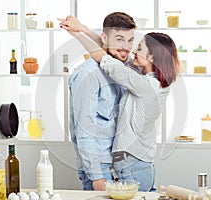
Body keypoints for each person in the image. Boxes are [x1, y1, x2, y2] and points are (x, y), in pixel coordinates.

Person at [59, 16, 179, 191]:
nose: (129, 50)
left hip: (131, 168)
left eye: (135, 45)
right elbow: (84, 131)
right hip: (106, 167)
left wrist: (77, 34)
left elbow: (106, 58)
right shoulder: (97, 74)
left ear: (151, 58)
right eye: (122, 40)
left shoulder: (141, 81)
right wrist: (83, 28)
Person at [62, 12, 137, 191]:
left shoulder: (121, 66)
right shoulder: (88, 75)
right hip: (100, 169)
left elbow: (106, 48)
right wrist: (97, 177)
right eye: (119, 39)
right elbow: (84, 132)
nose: (126, 47)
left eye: (130, 40)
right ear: (105, 38)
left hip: (120, 165)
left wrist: (82, 29)